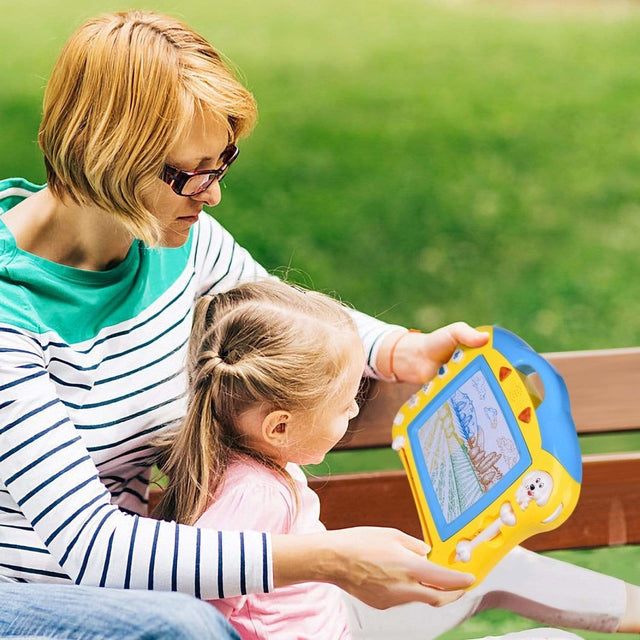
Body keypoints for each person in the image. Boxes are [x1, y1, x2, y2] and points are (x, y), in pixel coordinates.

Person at [0, 8, 636, 640]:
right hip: (46, 600)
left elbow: (274, 307)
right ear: (105, 155)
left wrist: (399, 351)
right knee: (185, 629)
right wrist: (332, 560)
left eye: (222, 163)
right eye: (191, 173)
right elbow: (91, 548)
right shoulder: (12, 315)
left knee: (499, 574)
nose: (213, 193)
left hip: (177, 584)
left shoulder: (170, 237)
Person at [154, 279, 367, 638]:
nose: (355, 407)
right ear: (280, 428)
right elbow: (195, 612)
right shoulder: (257, 495)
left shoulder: (239, 458)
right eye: (345, 403)